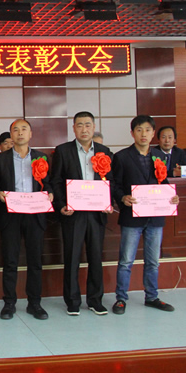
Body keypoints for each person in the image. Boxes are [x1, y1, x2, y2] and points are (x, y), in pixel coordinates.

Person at [111, 115, 179, 315]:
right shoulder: (122, 157)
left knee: (153, 261)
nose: (143, 134)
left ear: (153, 133)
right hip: (132, 216)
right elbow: (114, 184)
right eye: (139, 130)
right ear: (132, 133)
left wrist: (171, 196)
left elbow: (163, 182)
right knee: (126, 260)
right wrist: (122, 197)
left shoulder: (159, 156)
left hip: (155, 217)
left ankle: (152, 297)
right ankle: (121, 298)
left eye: (148, 130)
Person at [0, 119, 53, 320]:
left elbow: (50, 183)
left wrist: (51, 193)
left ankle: (35, 303)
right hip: (11, 215)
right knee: (10, 260)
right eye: (15, 130)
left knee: (35, 261)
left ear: (31, 134)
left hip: (35, 214)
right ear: (11, 135)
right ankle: (9, 303)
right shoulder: (0, 159)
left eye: (24, 129)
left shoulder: (42, 158)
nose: (19, 133)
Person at [51, 111, 113, 316]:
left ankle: (95, 300)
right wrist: (61, 204)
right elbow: (56, 181)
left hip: (96, 213)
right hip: (73, 213)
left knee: (96, 257)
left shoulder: (104, 151)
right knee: (72, 257)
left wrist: (109, 201)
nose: (84, 129)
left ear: (93, 127)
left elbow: (111, 181)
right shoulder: (63, 151)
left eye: (88, 125)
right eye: (79, 125)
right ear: (74, 128)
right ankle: (72, 301)